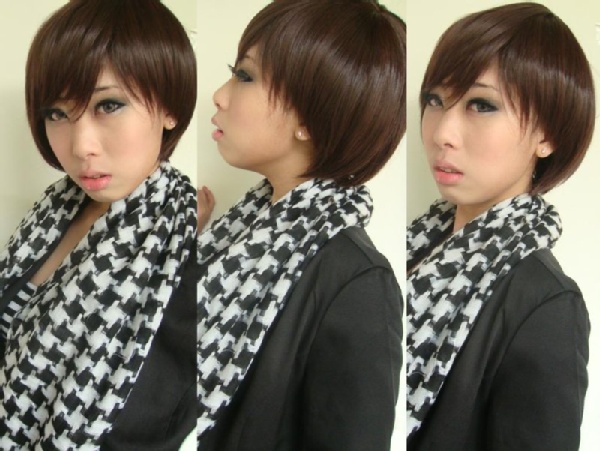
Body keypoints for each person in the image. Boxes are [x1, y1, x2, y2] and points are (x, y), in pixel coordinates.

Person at [197, 0, 406, 449]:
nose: (219, 95)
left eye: (245, 76)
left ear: (310, 117)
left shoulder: (357, 283)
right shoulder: (240, 232)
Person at [0, 0, 197, 448]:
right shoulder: (53, 209)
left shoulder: (185, 260)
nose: (80, 146)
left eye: (108, 105)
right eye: (57, 114)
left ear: (169, 107)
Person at [406, 3, 594, 450]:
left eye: (482, 105)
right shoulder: (413, 246)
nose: (442, 132)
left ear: (546, 135)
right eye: (434, 100)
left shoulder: (546, 305)